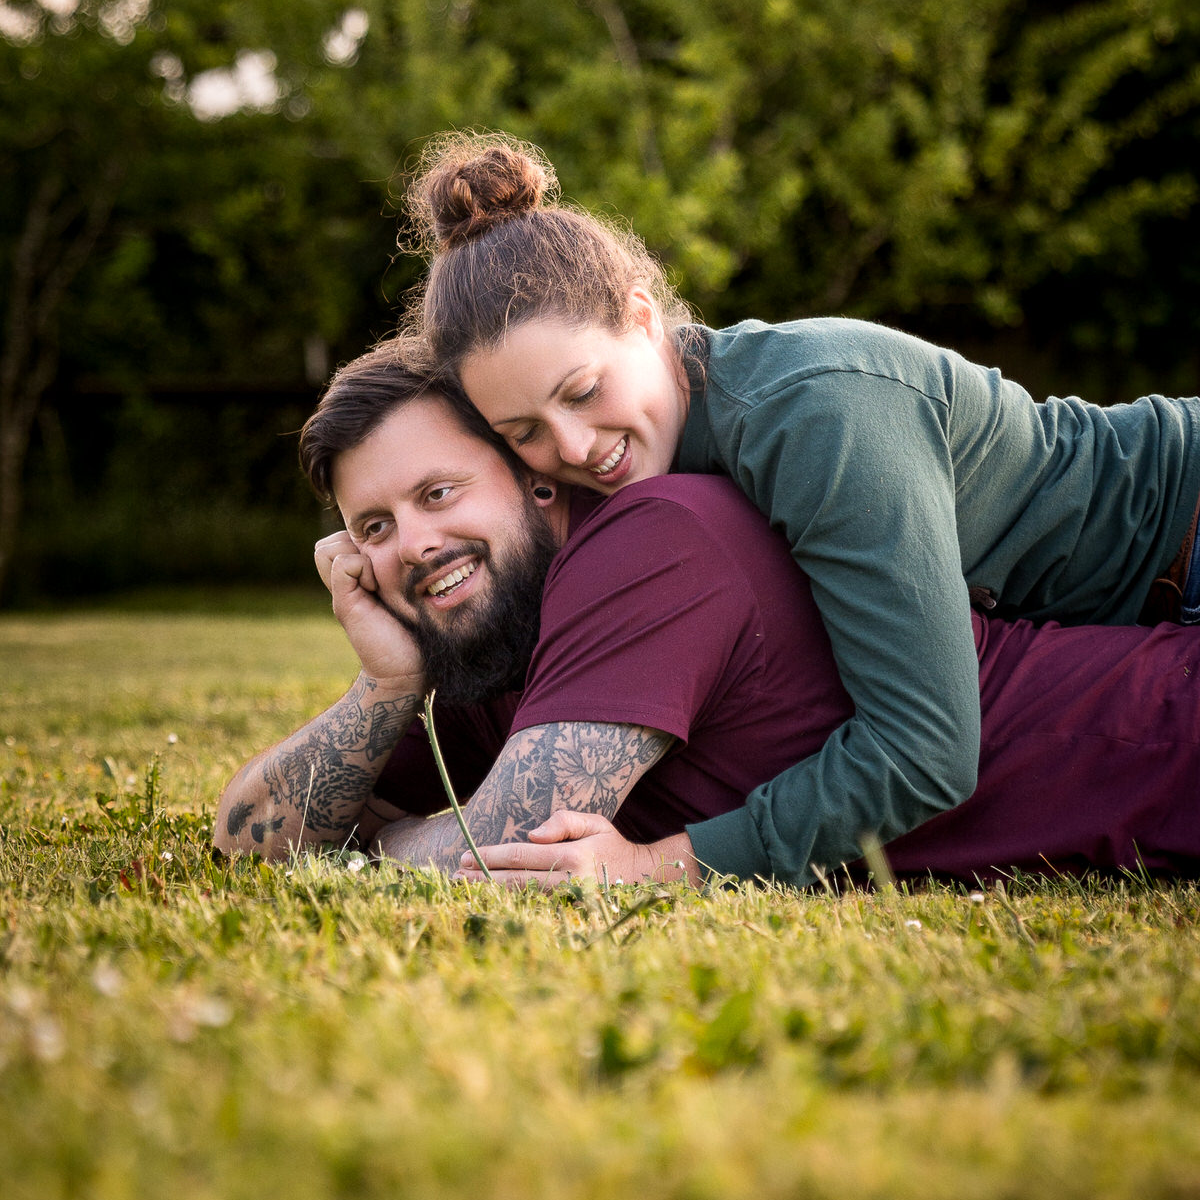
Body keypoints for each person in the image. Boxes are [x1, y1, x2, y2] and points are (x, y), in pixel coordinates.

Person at [408, 134, 1200, 887]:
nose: (574, 447)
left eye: (583, 392)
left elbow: (924, 749)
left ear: (646, 319)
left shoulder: (814, 417)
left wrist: (663, 863)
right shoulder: (628, 465)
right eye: (525, 434)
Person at [214, 338, 1200, 887]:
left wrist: (384, 841)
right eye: (372, 526)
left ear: (537, 482)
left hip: (1162, 747)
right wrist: (385, 682)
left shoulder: (656, 540)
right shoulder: (479, 654)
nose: (412, 547)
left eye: (438, 496)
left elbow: (505, 846)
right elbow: (247, 838)